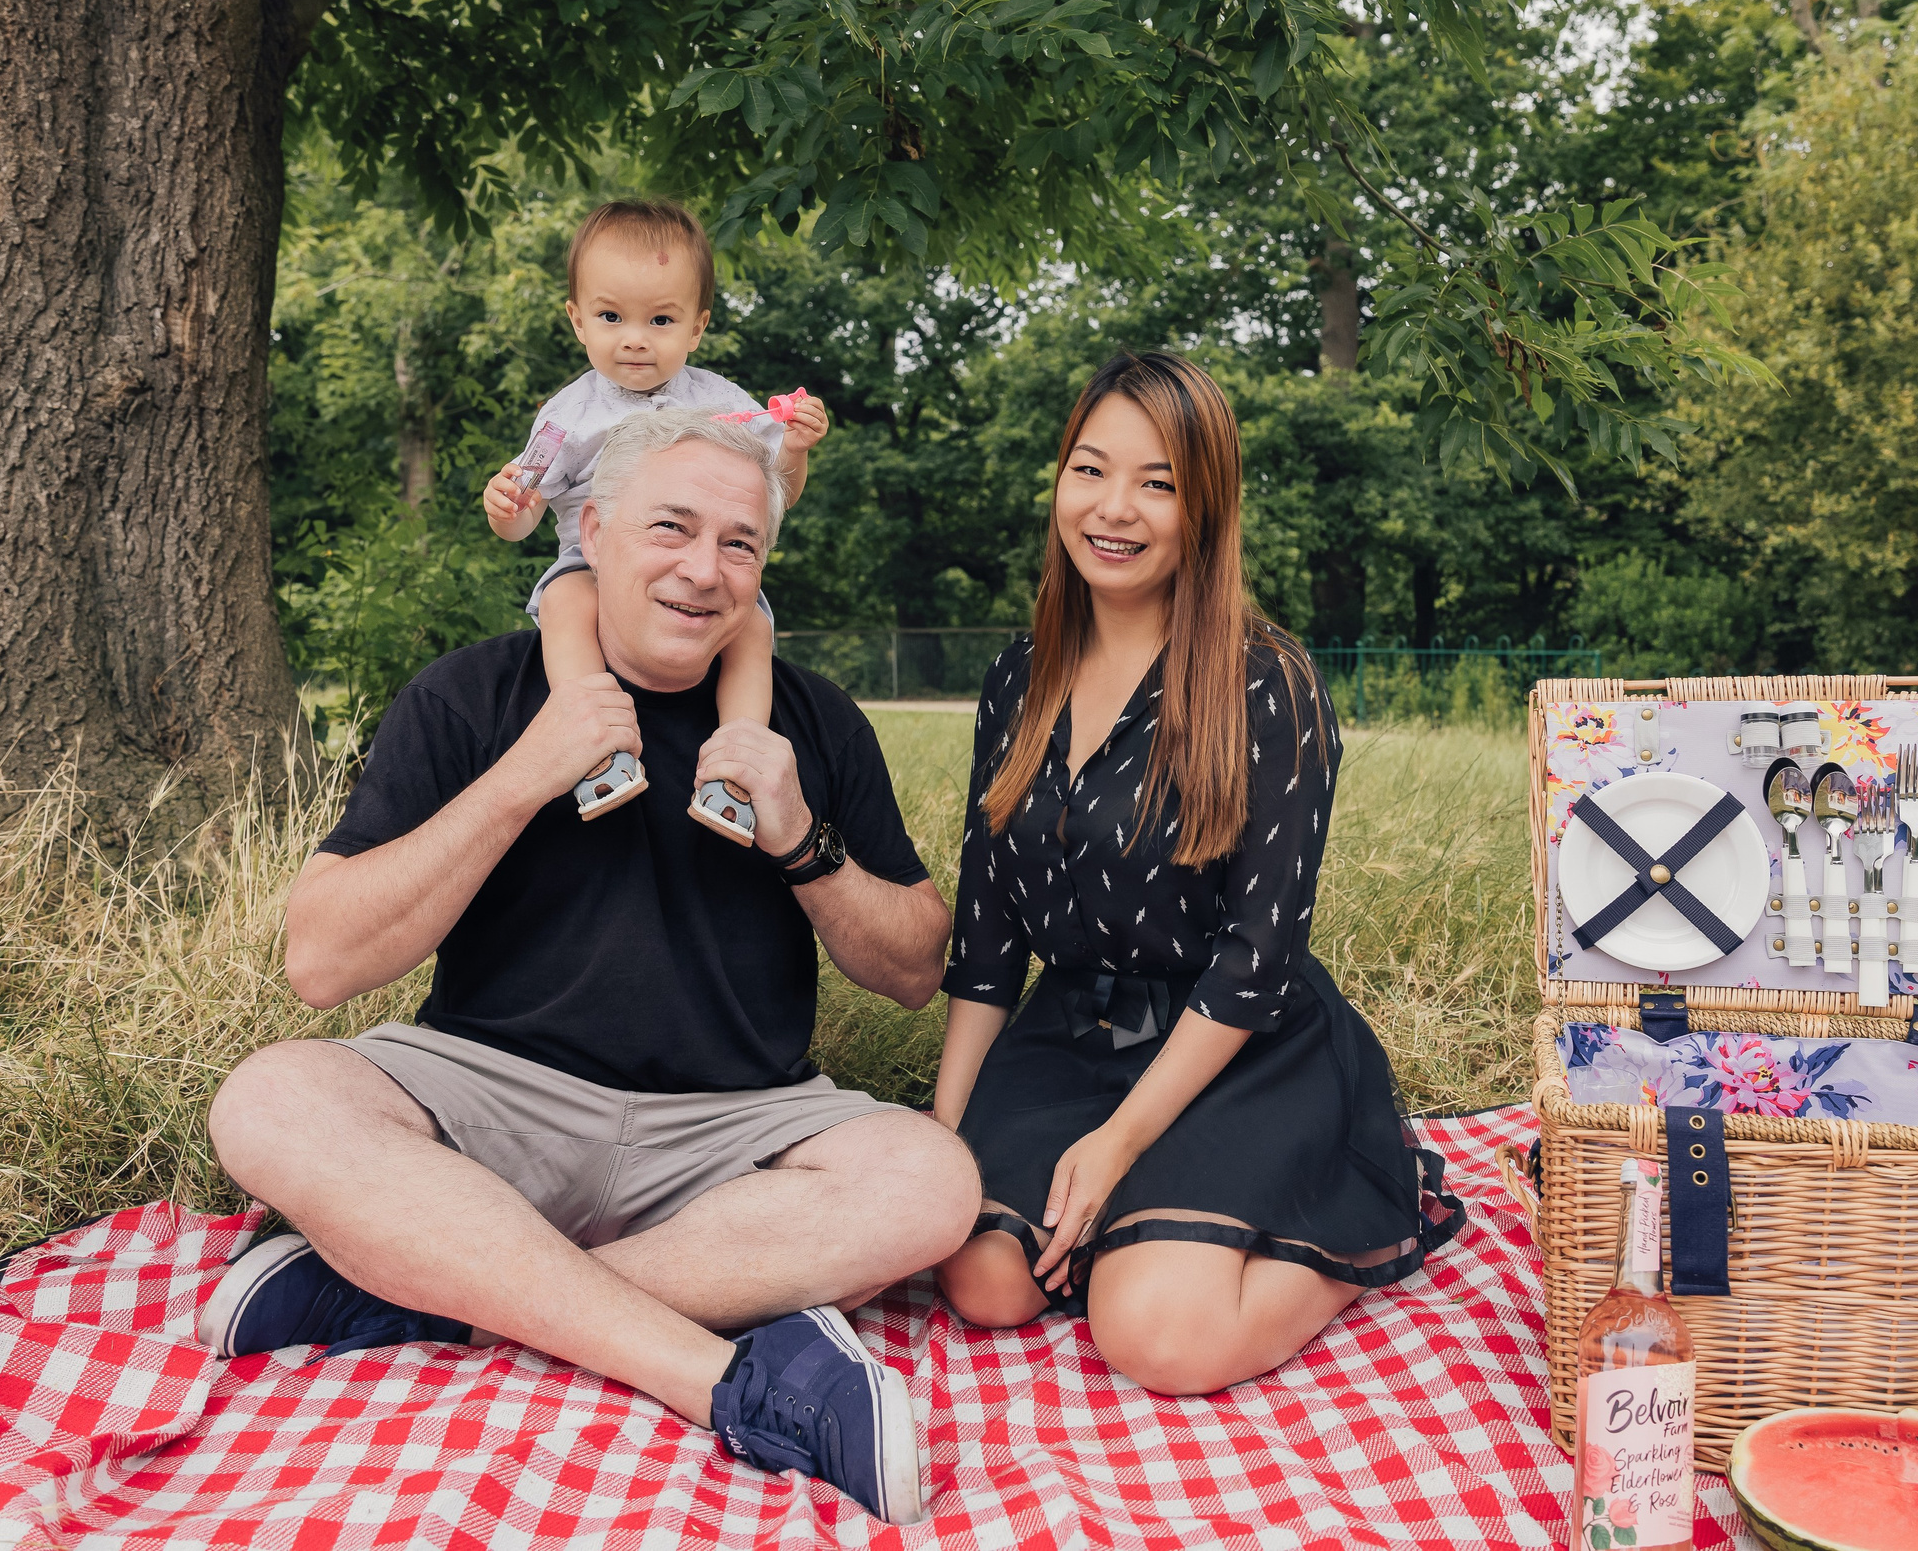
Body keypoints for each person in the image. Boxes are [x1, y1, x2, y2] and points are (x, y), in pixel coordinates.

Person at [203, 405, 977, 1525]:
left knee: (931, 1182)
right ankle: (718, 1376)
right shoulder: (473, 695)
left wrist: (805, 841)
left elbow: (912, 967)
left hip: (732, 1134)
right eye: (671, 529)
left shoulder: (809, 721)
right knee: (272, 1101)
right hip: (487, 1104)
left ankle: (423, 1285)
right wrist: (525, 774)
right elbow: (321, 961)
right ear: (596, 532)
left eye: (737, 545)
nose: (702, 572)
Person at [928, 350, 1461, 1394]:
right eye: (1089, 470)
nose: (1112, 508)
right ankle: (1139, 1223)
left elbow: (1257, 958)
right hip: (1072, 1025)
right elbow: (988, 935)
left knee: (1159, 1338)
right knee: (982, 1279)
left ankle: (1355, 1209)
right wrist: (943, 1143)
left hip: (1234, 1040)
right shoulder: (1017, 679)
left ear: (1204, 505)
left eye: (1157, 482)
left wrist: (1121, 1144)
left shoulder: (1270, 681)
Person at [480, 197, 830, 844]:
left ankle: (737, 765)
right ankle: (597, 746)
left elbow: (776, 489)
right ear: (577, 320)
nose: (635, 337)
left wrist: (797, 450)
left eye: (661, 319)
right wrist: (507, 509)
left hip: (700, 557)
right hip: (589, 561)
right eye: (612, 316)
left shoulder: (721, 400)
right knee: (563, 605)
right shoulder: (565, 417)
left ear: (696, 329)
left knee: (751, 624)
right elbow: (521, 522)